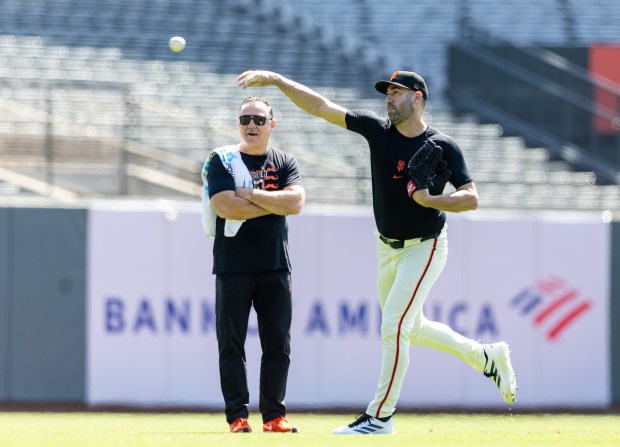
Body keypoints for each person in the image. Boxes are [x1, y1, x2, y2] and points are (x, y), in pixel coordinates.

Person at [236, 70, 517, 434]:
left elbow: (471, 197)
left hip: (425, 246)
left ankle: (380, 416)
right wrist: (275, 80)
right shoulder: (377, 131)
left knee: (394, 327)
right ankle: (486, 356)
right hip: (386, 247)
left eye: (397, 93)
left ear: (417, 98)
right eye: (387, 92)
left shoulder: (442, 145)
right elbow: (321, 106)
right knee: (410, 327)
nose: (388, 98)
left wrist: (433, 199)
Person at [201, 96, 305, 433]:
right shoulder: (222, 161)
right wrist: (276, 203)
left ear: (272, 125)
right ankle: (237, 416)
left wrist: (249, 195)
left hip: (275, 266)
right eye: (246, 118)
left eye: (259, 120)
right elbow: (226, 207)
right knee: (231, 343)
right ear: (238, 123)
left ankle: (274, 416)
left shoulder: (285, 161)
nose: (252, 125)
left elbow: (297, 201)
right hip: (232, 266)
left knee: (278, 343)